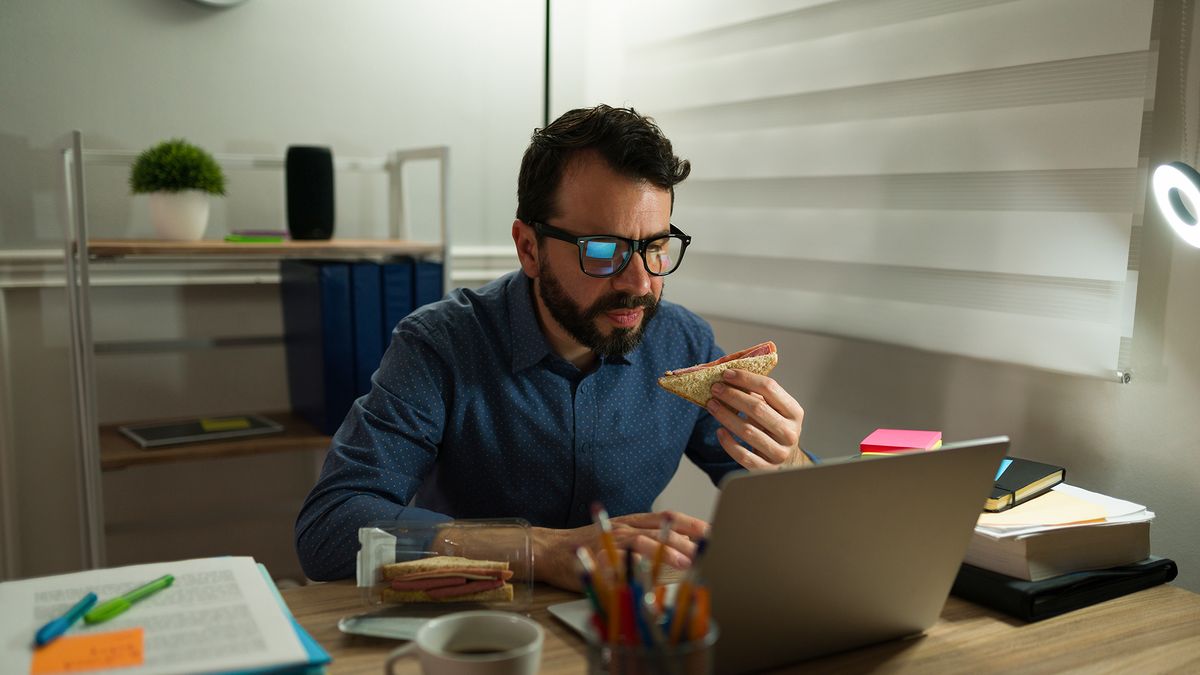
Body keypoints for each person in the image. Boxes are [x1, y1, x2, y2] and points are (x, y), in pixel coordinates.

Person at [294, 105, 810, 590]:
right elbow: (330, 527)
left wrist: (788, 464)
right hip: (475, 632)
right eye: (603, 250)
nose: (640, 283)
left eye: (654, 247)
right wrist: (540, 549)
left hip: (623, 630)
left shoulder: (683, 343)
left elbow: (805, 514)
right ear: (529, 248)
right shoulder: (440, 344)